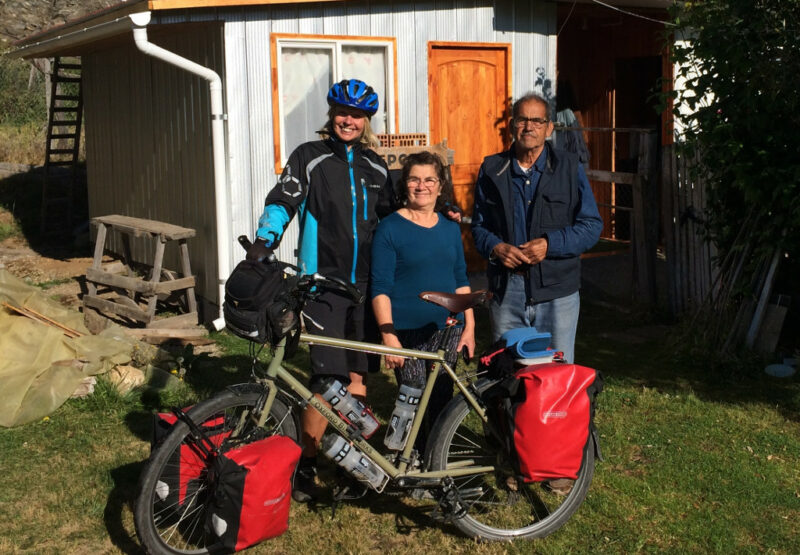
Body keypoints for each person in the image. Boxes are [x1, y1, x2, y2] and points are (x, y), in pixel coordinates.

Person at [247, 78, 394, 502]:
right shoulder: (309, 157)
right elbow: (284, 199)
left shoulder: (376, 167)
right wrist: (265, 239)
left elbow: (392, 219)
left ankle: (352, 462)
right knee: (328, 381)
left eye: (357, 115)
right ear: (332, 115)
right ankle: (307, 464)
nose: (349, 121)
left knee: (358, 379)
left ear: (367, 121)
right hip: (323, 286)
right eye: (342, 113)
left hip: (365, 288)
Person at [471, 92, 602, 364]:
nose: (529, 127)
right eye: (522, 120)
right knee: (508, 372)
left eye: (537, 121)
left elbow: (591, 226)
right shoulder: (492, 169)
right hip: (508, 291)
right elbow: (479, 228)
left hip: (557, 292)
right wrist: (496, 248)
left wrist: (550, 244)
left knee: (556, 373)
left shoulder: (568, 168)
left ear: (549, 128)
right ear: (512, 125)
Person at [371, 152, 475, 450]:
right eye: (414, 179)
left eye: (430, 179)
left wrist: (470, 327)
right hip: (407, 330)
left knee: (441, 394)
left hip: (448, 326)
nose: (422, 186)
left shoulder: (450, 228)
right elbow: (380, 288)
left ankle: (435, 456)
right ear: (404, 184)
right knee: (412, 393)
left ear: (440, 186)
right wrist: (388, 336)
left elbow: (460, 278)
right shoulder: (389, 228)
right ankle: (408, 455)